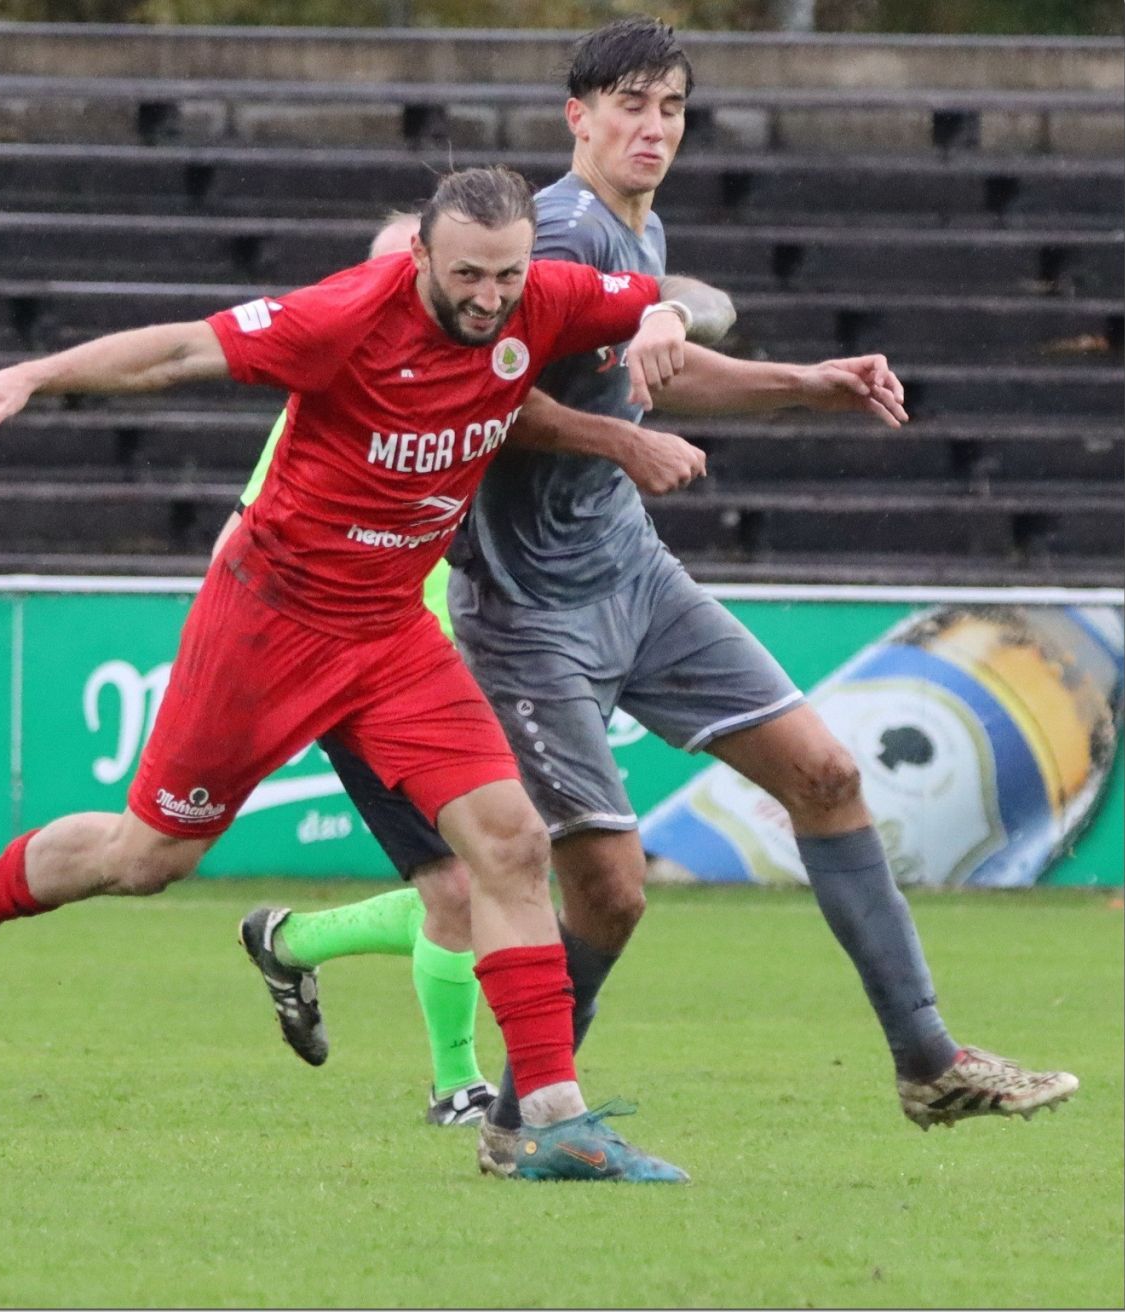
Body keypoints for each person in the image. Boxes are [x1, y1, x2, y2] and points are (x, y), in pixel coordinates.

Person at [232, 17, 1078, 1180]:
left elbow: (661, 368)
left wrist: (807, 382)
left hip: (631, 576)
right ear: (574, 116)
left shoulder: (633, 229)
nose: (652, 126)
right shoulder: (547, 232)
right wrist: (624, 441)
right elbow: (475, 387)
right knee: (609, 893)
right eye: (628, 104)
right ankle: (526, 1119)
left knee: (824, 775)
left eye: (669, 108)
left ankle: (926, 1057)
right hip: (526, 612)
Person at [0, 163, 718, 1182]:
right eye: (466, 274)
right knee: (145, 858)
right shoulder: (343, 315)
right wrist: (36, 374)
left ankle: (546, 1122)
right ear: (419, 255)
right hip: (268, 623)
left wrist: (666, 311)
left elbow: (693, 298)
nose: (487, 298)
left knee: (505, 847)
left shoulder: (540, 295)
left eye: (505, 276)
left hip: (388, 633)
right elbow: (179, 351)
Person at [224, 209, 723, 1129]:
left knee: (495, 870)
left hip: (454, 664)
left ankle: (290, 941)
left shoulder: (471, 385)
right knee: (465, 882)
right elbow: (247, 544)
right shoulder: (332, 409)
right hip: (365, 669)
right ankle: (460, 1085)